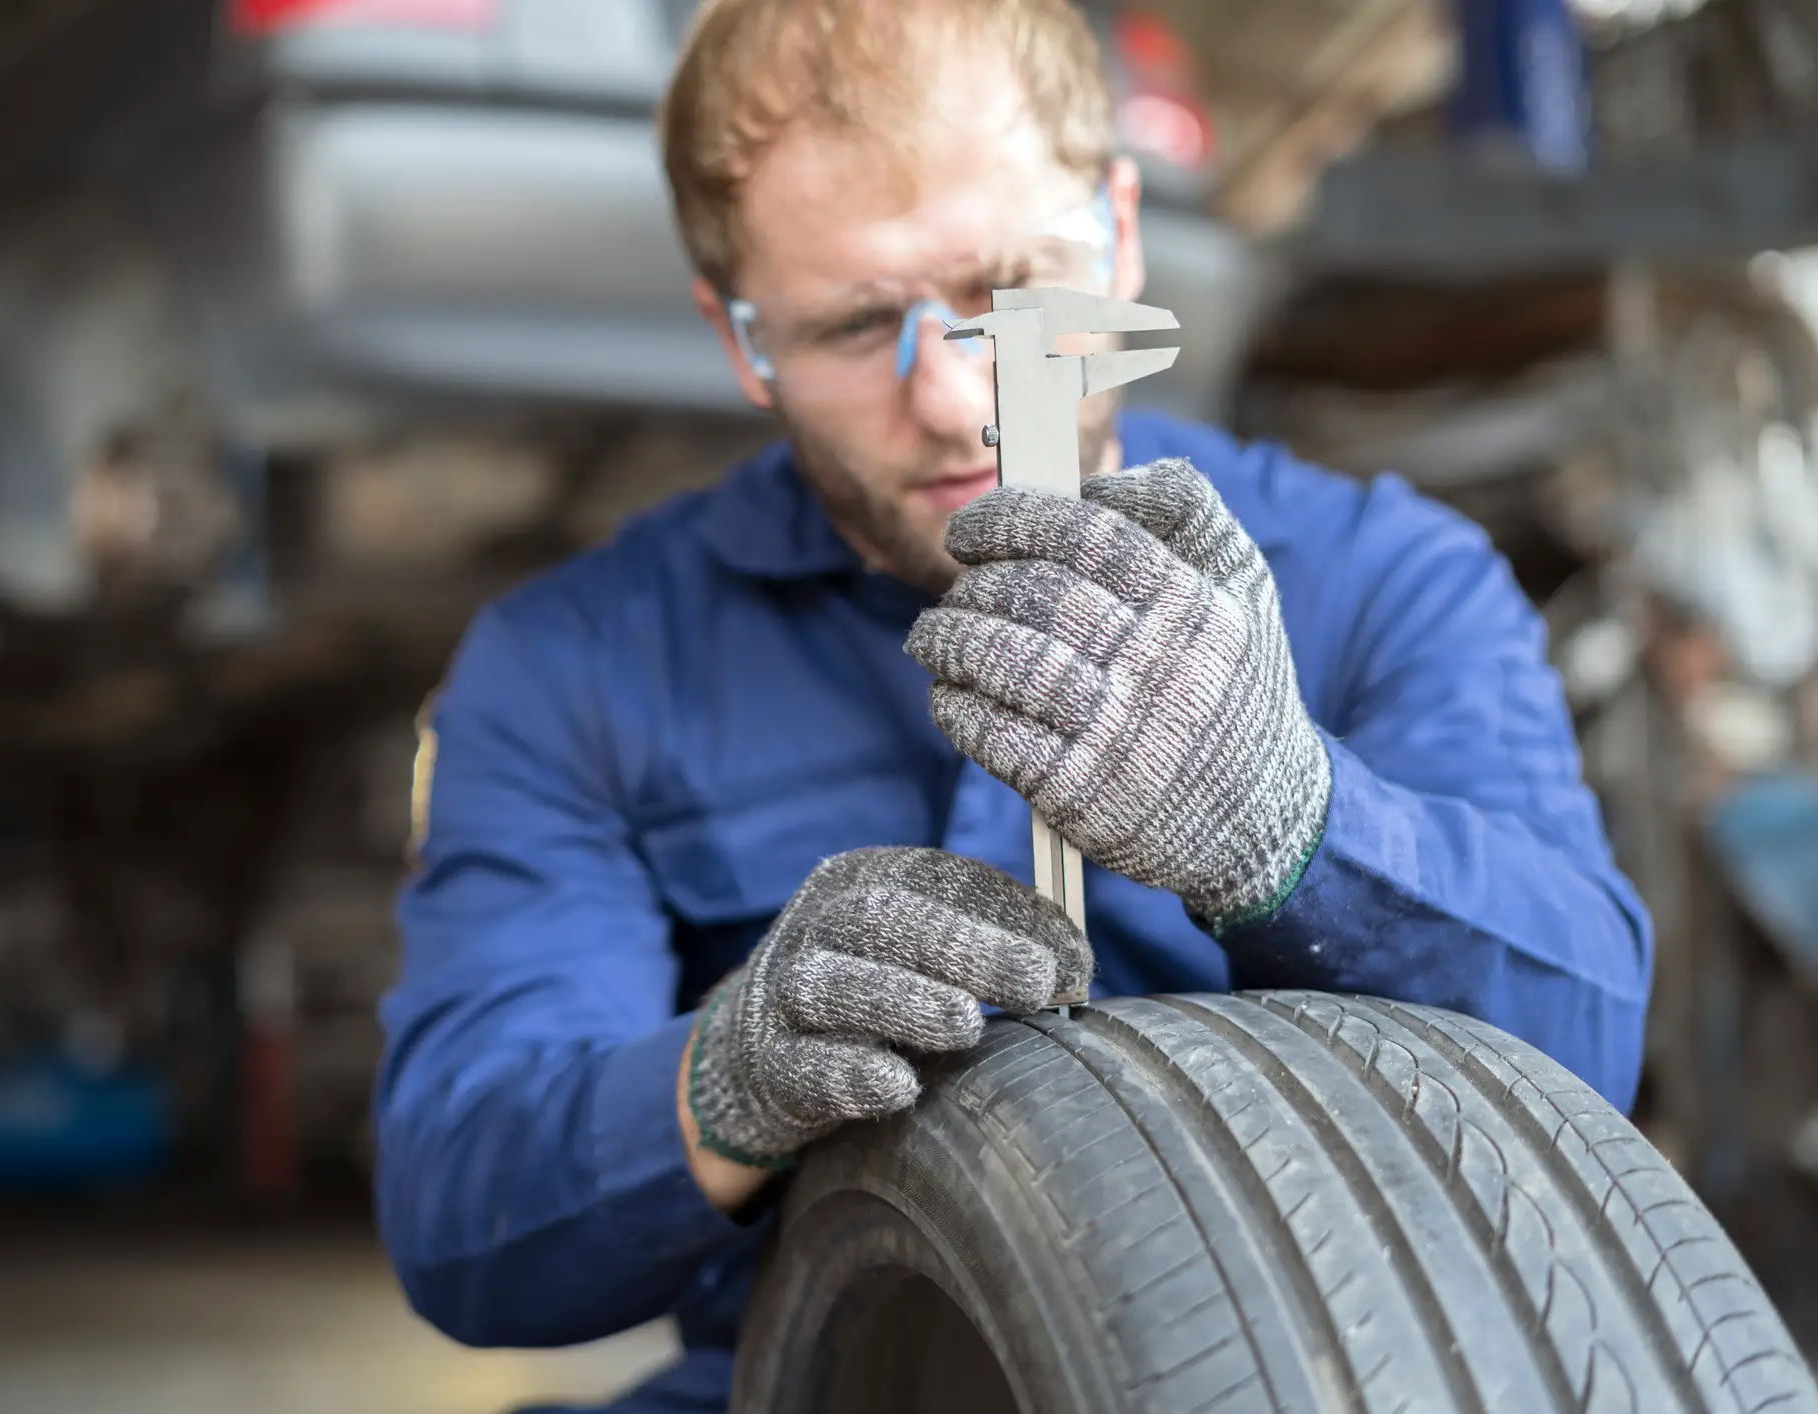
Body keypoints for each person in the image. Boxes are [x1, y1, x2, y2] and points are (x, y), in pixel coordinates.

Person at [374, 1, 1652, 1408]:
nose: (949, 397)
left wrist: (1289, 828)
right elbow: (461, 1220)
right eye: (857, 322)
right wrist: (719, 1081)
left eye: (1005, 294)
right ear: (741, 339)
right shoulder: (571, 667)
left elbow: (1586, 1055)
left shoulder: (1381, 575)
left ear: (1117, 232)